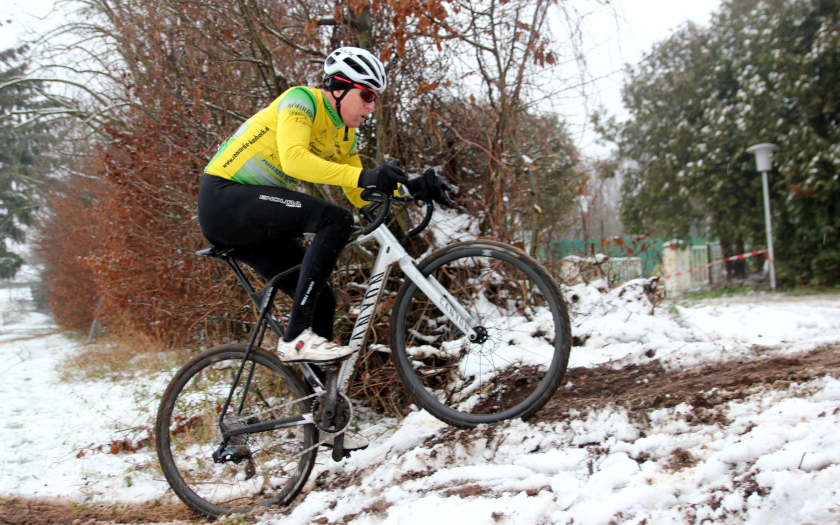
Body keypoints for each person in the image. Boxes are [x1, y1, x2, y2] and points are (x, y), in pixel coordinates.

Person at [198, 46, 449, 365]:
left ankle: (318, 393)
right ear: (340, 87)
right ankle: (295, 338)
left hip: (255, 219)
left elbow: (360, 192)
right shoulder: (301, 100)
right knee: (335, 219)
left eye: (376, 98)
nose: (371, 106)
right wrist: (365, 176)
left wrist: (412, 188)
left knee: (323, 300)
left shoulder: (345, 135)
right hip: (223, 198)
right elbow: (294, 159)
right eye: (367, 95)